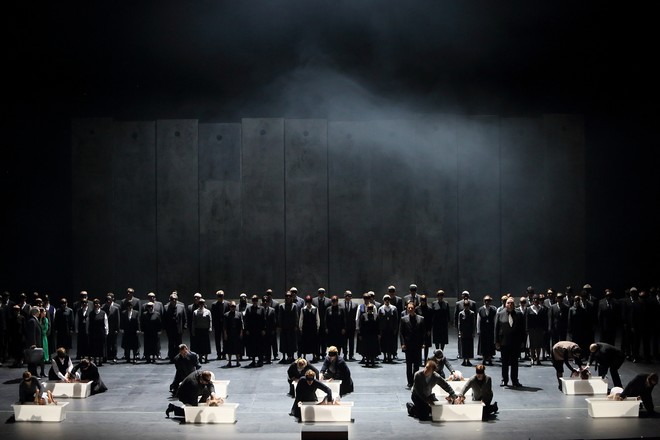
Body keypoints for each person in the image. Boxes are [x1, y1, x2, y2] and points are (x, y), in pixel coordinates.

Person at [495, 297, 524, 387]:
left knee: (515, 363)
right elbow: (496, 329)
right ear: (505, 304)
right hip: (504, 343)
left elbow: (522, 329)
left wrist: (523, 341)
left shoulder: (519, 314)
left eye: (512, 303)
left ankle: (515, 380)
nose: (510, 305)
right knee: (505, 363)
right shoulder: (500, 314)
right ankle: (504, 380)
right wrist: (496, 342)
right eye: (508, 303)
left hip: (515, 343)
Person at [400, 301, 426, 389]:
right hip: (408, 345)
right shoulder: (404, 319)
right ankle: (409, 382)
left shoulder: (421, 319)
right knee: (408, 365)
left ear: (415, 309)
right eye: (409, 308)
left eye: (412, 308)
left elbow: (423, 333)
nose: (410, 309)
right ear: (407, 309)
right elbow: (402, 333)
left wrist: (423, 343)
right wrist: (402, 344)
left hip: (417, 345)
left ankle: (415, 381)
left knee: (416, 365)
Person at [163, 292, 187, 362]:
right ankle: (171, 357)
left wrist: (184, 326)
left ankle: (179, 357)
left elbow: (184, 318)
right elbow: (164, 318)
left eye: (175, 299)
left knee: (179, 344)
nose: (174, 300)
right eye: (172, 299)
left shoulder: (181, 307)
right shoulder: (166, 307)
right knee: (171, 344)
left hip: (178, 329)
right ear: (169, 300)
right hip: (170, 329)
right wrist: (164, 327)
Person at [278, 292, 299, 364]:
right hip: (284, 327)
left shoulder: (294, 306)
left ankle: (292, 357)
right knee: (284, 342)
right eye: (287, 296)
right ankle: (283, 357)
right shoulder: (282, 306)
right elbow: (280, 317)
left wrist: (296, 325)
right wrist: (280, 326)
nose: (288, 297)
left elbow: (296, 316)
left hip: (292, 327)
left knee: (292, 342)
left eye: (289, 296)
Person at [378, 294, 399, 363]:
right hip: (384, 330)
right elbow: (379, 320)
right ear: (383, 300)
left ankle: (389, 356)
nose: (387, 301)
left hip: (391, 329)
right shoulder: (381, 309)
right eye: (385, 299)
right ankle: (384, 357)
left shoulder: (394, 308)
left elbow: (396, 319)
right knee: (384, 343)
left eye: (388, 299)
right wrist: (379, 330)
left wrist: (395, 328)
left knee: (391, 343)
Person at [299, 295, 320, 362]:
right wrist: (300, 328)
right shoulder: (303, 309)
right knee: (305, 343)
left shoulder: (315, 309)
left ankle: (314, 356)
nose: (309, 303)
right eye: (307, 301)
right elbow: (301, 319)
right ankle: (304, 356)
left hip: (313, 329)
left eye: (310, 301)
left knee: (313, 343)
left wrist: (318, 327)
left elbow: (317, 319)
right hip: (305, 329)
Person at [477, 295, 497, 366]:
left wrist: (495, 330)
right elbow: (478, 320)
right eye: (485, 301)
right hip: (483, 330)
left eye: (488, 301)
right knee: (483, 344)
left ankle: (489, 358)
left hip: (490, 330)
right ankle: (484, 358)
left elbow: (495, 321)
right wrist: (478, 330)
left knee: (490, 344)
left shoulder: (493, 310)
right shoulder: (480, 310)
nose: (487, 302)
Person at [223, 301, 244, 368]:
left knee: (237, 347)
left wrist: (241, 332)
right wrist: (225, 334)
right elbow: (225, 326)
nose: (233, 308)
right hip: (229, 333)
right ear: (229, 307)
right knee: (229, 348)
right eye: (232, 306)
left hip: (237, 333)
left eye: (234, 306)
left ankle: (238, 361)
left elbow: (241, 324)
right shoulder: (226, 315)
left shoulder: (239, 314)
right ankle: (229, 362)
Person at [458, 298, 476, 366]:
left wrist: (473, 332)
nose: (466, 307)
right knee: (464, 346)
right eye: (465, 305)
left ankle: (468, 360)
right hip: (463, 332)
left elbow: (473, 323)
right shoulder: (461, 313)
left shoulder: (472, 313)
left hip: (469, 332)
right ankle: (464, 359)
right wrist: (460, 332)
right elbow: (459, 323)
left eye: (467, 305)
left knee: (469, 346)